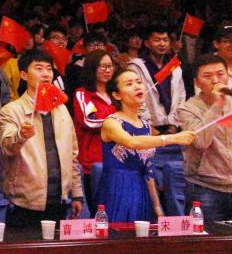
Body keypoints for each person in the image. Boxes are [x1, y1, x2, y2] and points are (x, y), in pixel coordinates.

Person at [0, 50, 85, 227]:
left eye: (49, 69)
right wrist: (21, 135)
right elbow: (7, 146)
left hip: (59, 199)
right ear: (24, 75)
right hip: (24, 202)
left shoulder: (61, 109)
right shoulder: (11, 111)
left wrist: (76, 194)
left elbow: (73, 154)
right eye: (38, 68)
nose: (46, 74)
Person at [99, 67, 194, 222]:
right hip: (117, 187)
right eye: (129, 84)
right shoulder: (111, 122)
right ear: (116, 95)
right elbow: (132, 142)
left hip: (142, 188)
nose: (137, 86)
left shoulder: (145, 125)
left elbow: (147, 168)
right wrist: (172, 138)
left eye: (139, 82)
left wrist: (157, 206)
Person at [175, 54, 232, 221]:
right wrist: (216, 105)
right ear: (196, 82)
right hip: (205, 188)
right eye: (207, 76)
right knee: (207, 236)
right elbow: (201, 142)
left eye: (220, 74)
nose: (215, 80)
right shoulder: (187, 109)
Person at [128, 23, 185, 134]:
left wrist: (174, 124)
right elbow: (134, 98)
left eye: (165, 40)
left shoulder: (174, 66)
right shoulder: (136, 66)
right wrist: (149, 126)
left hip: (173, 127)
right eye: (156, 40)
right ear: (147, 43)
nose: (162, 44)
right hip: (147, 127)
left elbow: (181, 97)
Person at [72, 50, 117, 184]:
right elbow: (90, 121)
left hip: (117, 159)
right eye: (102, 66)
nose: (107, 70)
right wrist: (118, 122)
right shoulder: (83, 94)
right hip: (91, 162)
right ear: (92, 68)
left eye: (110, 66)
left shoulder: (116, 95)